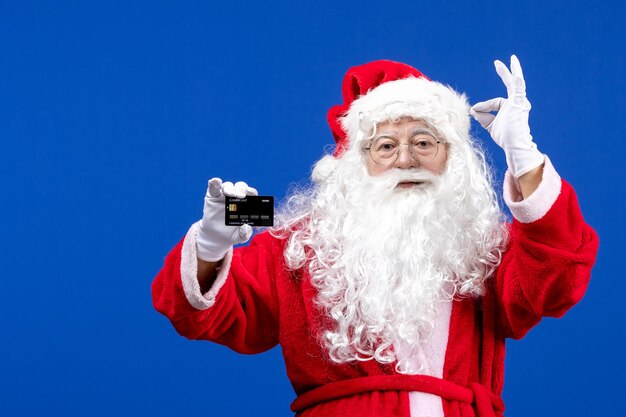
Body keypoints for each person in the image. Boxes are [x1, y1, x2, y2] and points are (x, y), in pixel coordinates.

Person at [152, 56, 598, 417]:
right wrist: (212, 243)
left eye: (424, 142)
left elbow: (556, 282)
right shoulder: (303, 246)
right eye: (385, 146)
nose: (405, 158)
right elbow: (205, 317)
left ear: (452, 158)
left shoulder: (481, 245)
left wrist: (524, 157)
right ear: (355, 162)